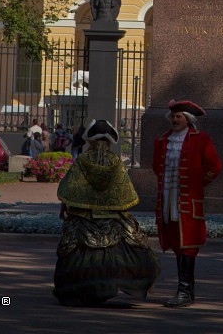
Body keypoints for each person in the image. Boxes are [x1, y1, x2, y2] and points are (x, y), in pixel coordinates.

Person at [54, 118, 160, 306]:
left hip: (83, 217)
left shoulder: (83, 161)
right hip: (113, 218)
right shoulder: (115, 162)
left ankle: (85, 288)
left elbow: (69, 189)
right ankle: (115, 284)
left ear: (90, 140)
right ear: (111, 142)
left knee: (80, 255)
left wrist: (65, 206)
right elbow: (125, 192)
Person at [152, 99, 222, 308]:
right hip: (168, 199)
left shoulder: (200, 139)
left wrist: (197, 184)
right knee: (176, 243)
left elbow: (214, 166)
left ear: (188, 119)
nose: (174, 120)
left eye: (178, 116)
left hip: (189, 200)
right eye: (172, 117)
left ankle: (184, 291)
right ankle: (187, 291)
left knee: (189, 245)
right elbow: (157, 166)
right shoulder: (163, 140)